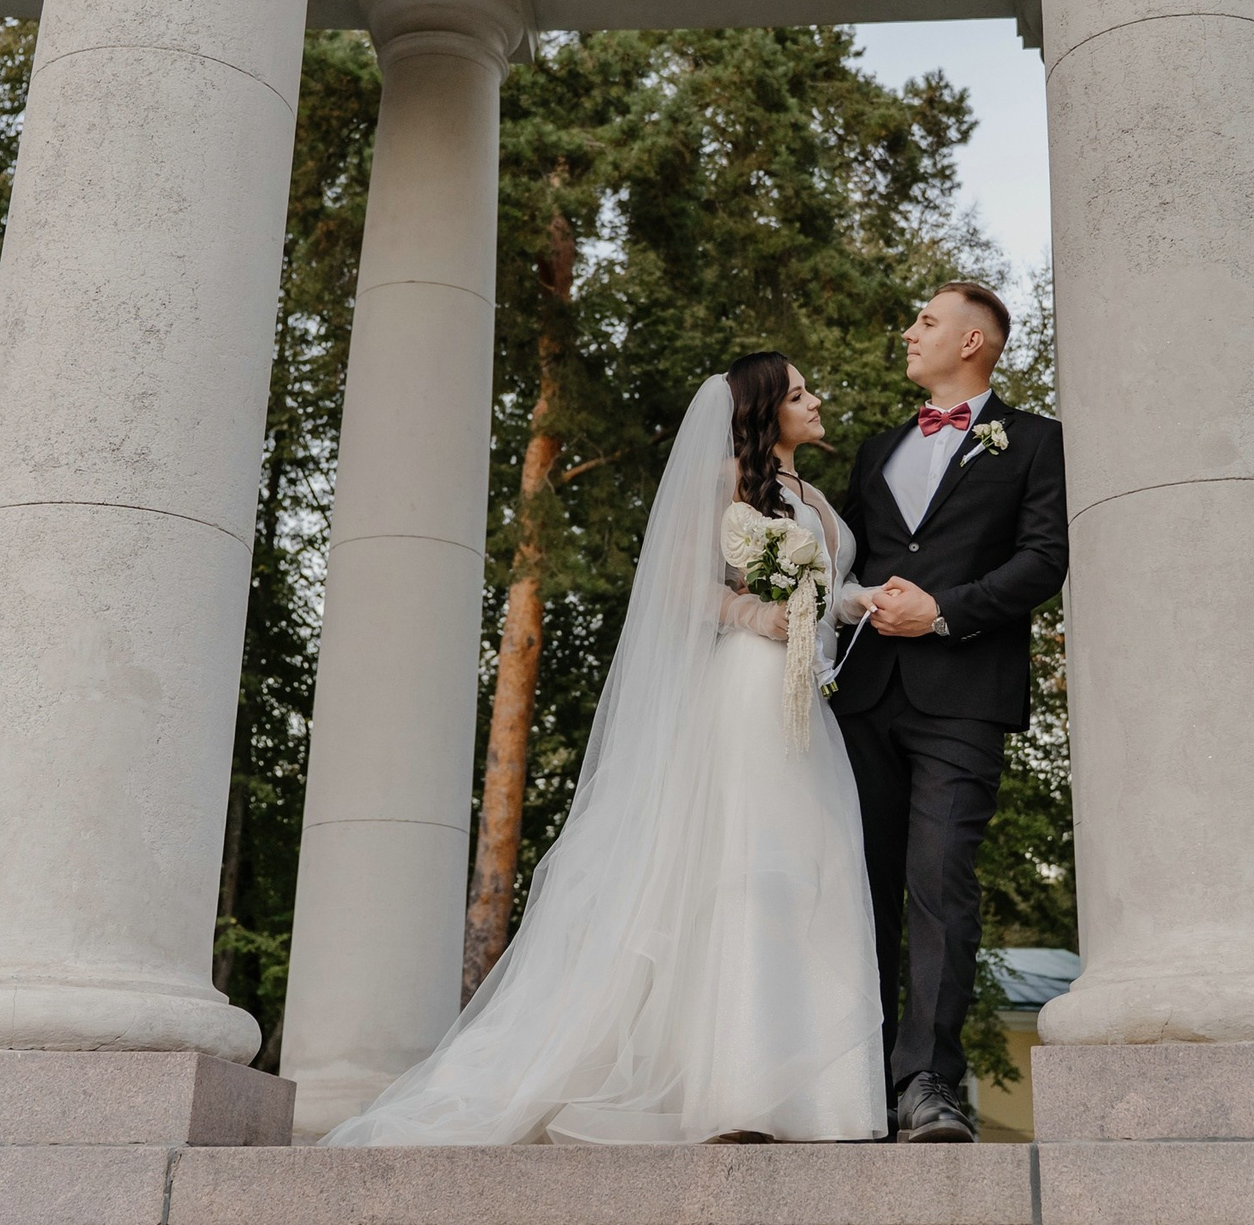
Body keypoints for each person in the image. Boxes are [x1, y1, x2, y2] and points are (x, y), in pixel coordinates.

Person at [322, 354, 885, 1146]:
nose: (815, 399)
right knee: (746, 872)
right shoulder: (726, 479)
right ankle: (735, 1088)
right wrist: (755, 617)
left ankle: (808, 1095)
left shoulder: (816, 500)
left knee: (801, 875)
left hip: (805, 709)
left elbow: (822, 595)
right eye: (798, 393)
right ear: (765, 413)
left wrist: (861, 600)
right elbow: (681, 585)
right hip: (748, 692)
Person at [830, 282, 1069, 1142]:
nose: (909, 331)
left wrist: (942, 611)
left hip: (963, 697)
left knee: (939, 883)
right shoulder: (874, 449)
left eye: (925, 321)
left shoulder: (1036, 441)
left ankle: (927, 1081)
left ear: (974, 342)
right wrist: (855, 601)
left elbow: (1045, 559)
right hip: (862, 697)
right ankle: (849, 1081)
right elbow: (844, 562)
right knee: (857, 892)